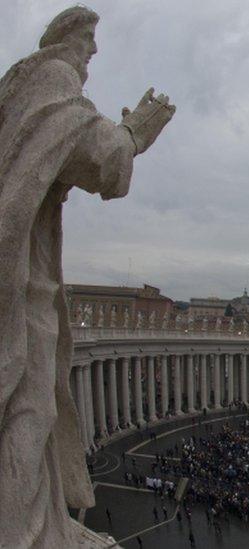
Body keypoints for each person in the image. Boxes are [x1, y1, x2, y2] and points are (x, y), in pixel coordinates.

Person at [0, 6, 174, 548]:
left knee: (28, 412)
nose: (94, 52)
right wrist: (133, 133)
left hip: (21, 276)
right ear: (66, 40)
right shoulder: (51, 81)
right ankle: (27, 536)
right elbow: (99, 159)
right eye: (90, 40)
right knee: (29, 413)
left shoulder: (15, 91)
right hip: (23, 289)